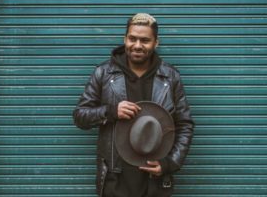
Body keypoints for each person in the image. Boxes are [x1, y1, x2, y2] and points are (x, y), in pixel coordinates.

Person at [73, 13, 194, 197]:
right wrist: (110, 111)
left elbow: (184, 125)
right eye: (132, 39)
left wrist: (169, 163)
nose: (137, 45)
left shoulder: (170, 77)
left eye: (145, 40)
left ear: (156, 43)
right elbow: (80, 116)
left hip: (155, 183)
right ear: (125, 39)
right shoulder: (104, 74)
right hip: (115, 181)